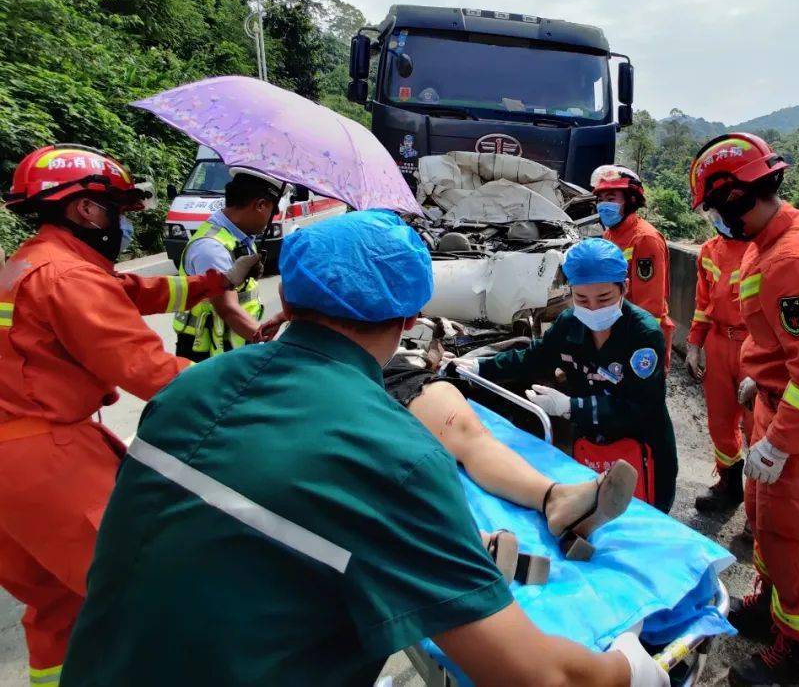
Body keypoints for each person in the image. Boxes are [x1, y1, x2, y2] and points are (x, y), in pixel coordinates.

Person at [63, 211, 668, 687]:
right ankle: (555, 499)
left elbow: (268, 509)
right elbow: (533, 675)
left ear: (288, 300)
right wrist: (629, 670)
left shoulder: (187, 392)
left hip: (97, 670)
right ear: (410, 319)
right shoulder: (391, 454)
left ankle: (556, 499)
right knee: (466, 439)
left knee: (468, 438)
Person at [0, 144, 258, 684]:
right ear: (88, 210)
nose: (120, 224)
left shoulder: (33, 262)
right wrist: (265, 381)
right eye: (115, 210)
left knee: (57, 605)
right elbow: (150, 370)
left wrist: (216, 283)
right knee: (150, 591)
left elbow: (134, 290)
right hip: (41, 458)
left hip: (15, 464)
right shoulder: (67, 278)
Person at [253, 311, 640, 569]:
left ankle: (536, 512)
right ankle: (499, 525)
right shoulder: (368, 300)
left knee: (449, 441)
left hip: (363, 373)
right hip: (388, 372)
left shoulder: (284, 338)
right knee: (459, 442)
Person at [689, 133, 799, 685]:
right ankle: (769, 610)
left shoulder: (793, 260)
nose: (715, 220)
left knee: (796, 538)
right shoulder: (772, 239)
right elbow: (783, 345)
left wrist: (780, 442)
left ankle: (795, 658)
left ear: (737, 198)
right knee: (766, 522)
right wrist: (759, 383)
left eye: (716, 207)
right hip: (778, 403)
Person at [460, 238, 678, 514]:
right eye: (582, 299)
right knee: (591, 512)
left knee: (642, 523)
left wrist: (569, 407)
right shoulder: (570, 324)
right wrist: (479, 367)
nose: (593, 309)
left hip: (642, 450)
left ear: (624, 287)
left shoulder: (643, 335)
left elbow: (641, 407)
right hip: (591, 445)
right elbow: (533, 359)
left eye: (604, 299)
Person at [684, 181, 751, 514]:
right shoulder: (710, 251)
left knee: (761, 428)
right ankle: (728, 484)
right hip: (719, 342)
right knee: (720, 422)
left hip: (756, 348)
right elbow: (703, 302)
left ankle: (761, 509)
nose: (715, 217)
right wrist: (695, 344)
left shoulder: (765, 248)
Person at [173, 167, 282, 361]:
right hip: (206, 354)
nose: (271, 218)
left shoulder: (239, 237)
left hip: (231, 345)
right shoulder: (211, 248)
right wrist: (269, 347)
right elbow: (227, 308)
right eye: (273, 211)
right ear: (260, 205)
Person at [591, 165, 677, 366]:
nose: (603, 205)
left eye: (611, 199)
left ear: (630, 200)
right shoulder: (610, 233)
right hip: (618, 328)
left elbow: (650, 306)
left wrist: (636, 345)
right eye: (600, 200)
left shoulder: (645, 239)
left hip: (641, 335)